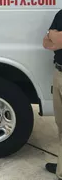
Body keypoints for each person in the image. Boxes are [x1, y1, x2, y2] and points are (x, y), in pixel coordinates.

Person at [43, 10, 62, 180]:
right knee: (60, 124)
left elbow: (56, 40)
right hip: (59, 73)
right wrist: (52, 36)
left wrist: (53, 36)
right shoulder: (61, 14)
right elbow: (46, 43)